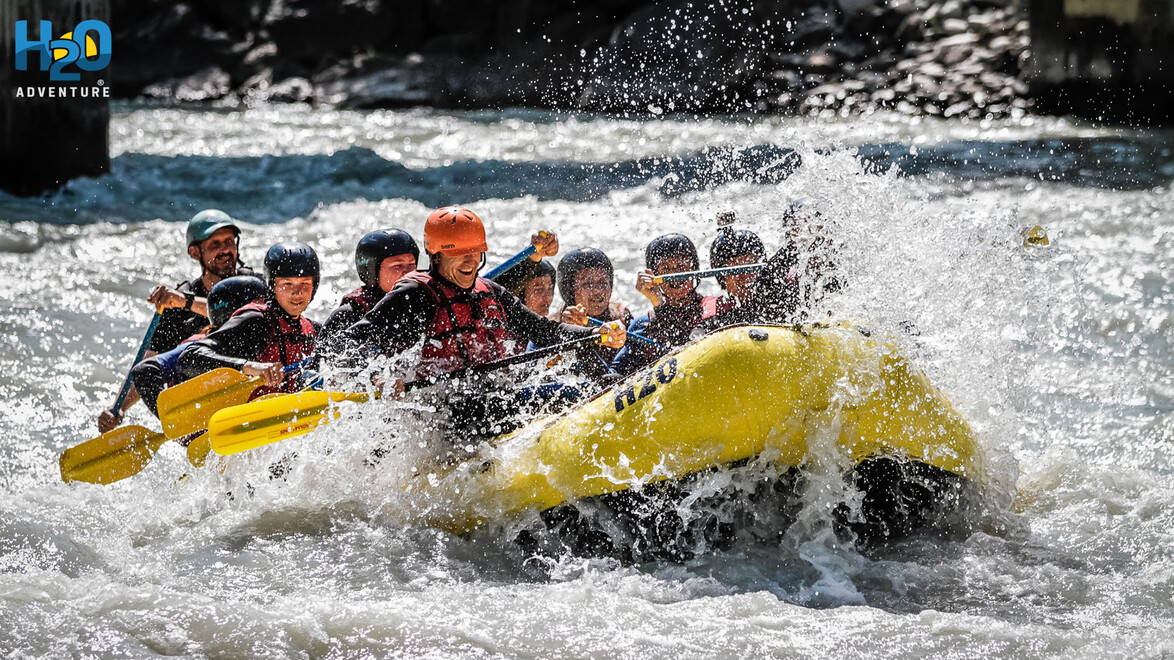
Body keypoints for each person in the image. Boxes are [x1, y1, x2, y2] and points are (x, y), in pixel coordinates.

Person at [331, 206, 625, 434]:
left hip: (496, 398)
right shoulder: (415, 294)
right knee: (567, 394)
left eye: (475, 252)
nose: (471, 262)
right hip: (445, 411)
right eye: (460, 255)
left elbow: (544, 329)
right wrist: (377, 378)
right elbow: (348, 344)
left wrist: (597, 333)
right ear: (436, 256)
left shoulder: (490, 291)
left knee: (600, 384)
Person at [97, 209, 253, 432]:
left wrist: (186, 302)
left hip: (248, 381)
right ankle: (188, 430)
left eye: (229, 241)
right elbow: (149, 360)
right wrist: (119, 409)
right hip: (207, 398)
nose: (225, 250)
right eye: (215, 244)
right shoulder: (177, 307)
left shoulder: (250, 283)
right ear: (194, 252)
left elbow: (236, 313)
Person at [178, 242, 321, 399]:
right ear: (273, 286)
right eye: (287, 284)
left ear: (314, 286)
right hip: (247, 415)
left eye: (305, 283)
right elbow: (190, 357)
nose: (297, 293)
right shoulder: (256, 322)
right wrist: (251, 367)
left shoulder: (313, 330)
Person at [130, 275, 268, 418]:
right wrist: (172, 421)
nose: (266, 314)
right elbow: (144, 371)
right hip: (202, 427)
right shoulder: (198, 346)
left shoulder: (267, 338)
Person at [611, 234, 731, 376]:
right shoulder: (643, 325)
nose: (675, 275)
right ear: (654, 276)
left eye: (681, 267)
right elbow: (615, 376)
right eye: (666, 269)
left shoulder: (717, 307)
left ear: (694, 270)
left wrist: (659, 306)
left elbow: (687, 350)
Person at [317, 228, 420, 355]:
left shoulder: (422, 303)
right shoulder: (347, 316)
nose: (408, 272)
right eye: (397, 266)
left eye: (412, 264)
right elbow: (322, 366)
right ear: (371, 272)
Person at [554, 248, 633, 371]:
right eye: (587, 284)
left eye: (603, 282)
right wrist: (572, 334)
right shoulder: (550, 326)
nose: (597, 290)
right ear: (569, 290)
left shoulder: (622, 316)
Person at [703, 226, 766, 329]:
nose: (745, 275)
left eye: (751, 265)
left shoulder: (774, 299)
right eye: (735, 269)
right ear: (722, 278)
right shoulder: (713, 312)